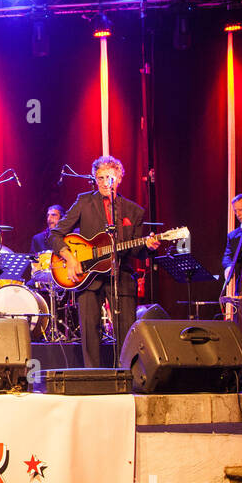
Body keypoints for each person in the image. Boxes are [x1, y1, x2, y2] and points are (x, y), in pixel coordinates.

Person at [52, 155, 160, 367]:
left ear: (119, 178)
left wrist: (148, 247)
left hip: (121, 275)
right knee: (90, 332)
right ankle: (93, 377)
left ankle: (127, 375)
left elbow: (135, 250)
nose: (103, 182)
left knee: (126, 331)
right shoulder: (84, 201)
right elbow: (55, 234)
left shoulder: (134, 211)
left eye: (108, 177)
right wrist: (70, 257)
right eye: (99, 178)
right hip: (87, 277)